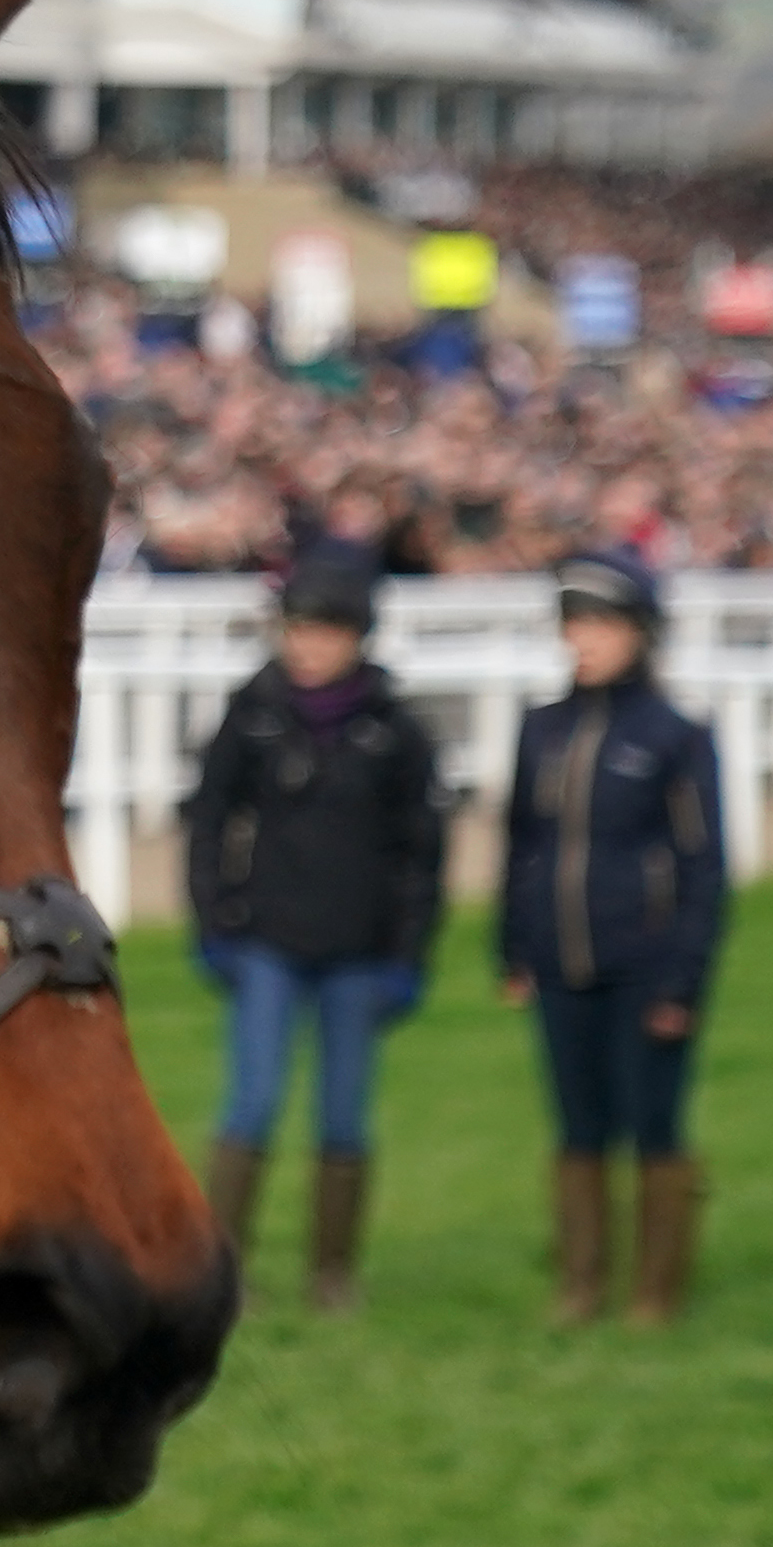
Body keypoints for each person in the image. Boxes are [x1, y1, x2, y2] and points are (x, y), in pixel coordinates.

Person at [181, 550, 448, 1311]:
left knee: (343, 1115)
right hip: (266, 942)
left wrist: (408, 954)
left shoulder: (396, 732)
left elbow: (422, 853)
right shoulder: (252, 715)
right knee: (252, 1101)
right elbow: (207, 822)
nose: (307, 647)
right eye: (296, 629)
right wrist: (215, 921)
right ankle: (224, 1271)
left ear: (357, 637)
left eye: (324, 632)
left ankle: (333, 1275)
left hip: (359, 952)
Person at [500, 547, 728, 1326]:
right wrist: (513, 947)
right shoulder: (541, 728)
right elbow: (522, 844)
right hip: (560, 963)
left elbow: (704, 867)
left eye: (601, 623)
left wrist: (683, 979)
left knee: (653, 1124)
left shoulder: (675, 735)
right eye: (574, 622)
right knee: (578, 1125)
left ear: (641, 632)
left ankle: (656, 1290)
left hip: (646, 966)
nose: (584, 639)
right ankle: (581, 1282)